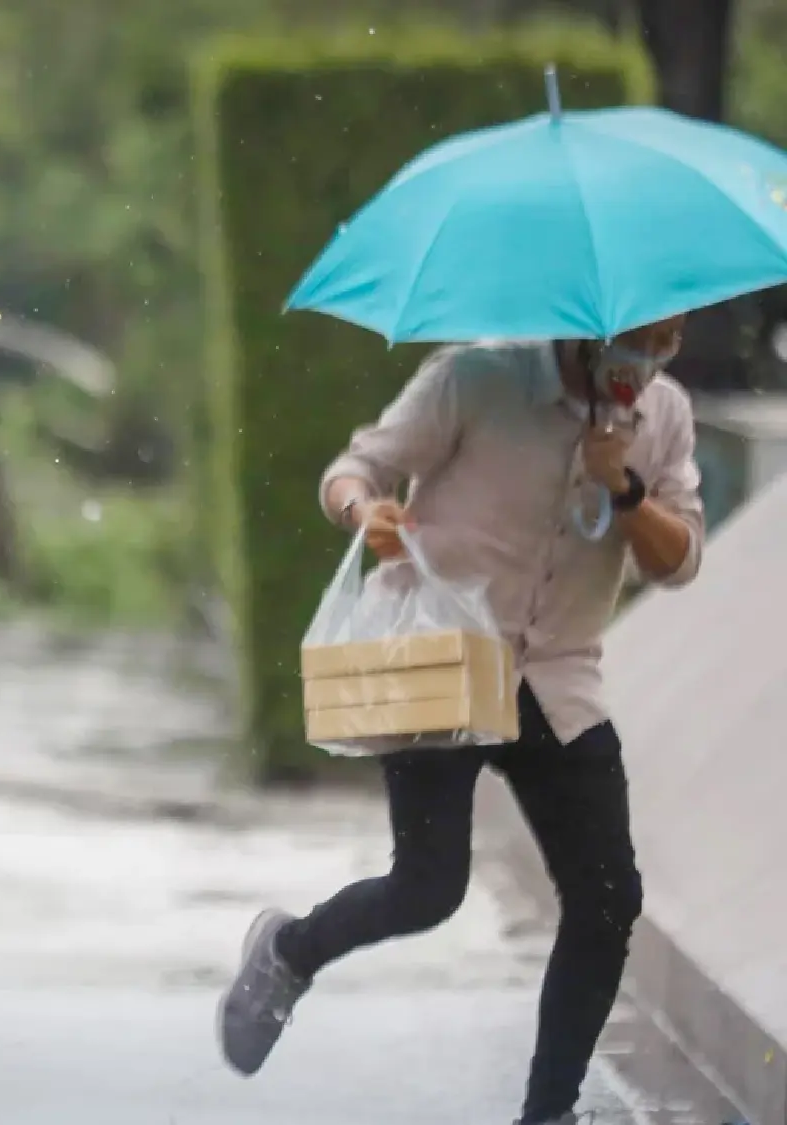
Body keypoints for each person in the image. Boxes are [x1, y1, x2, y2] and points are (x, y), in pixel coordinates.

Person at [215, 317, 705, 1125]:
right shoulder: (476, 381)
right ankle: (288, 950)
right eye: (637, 341)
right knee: (428, 887)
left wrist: (623, 487)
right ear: (588, 331)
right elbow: (356, 467)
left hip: (559, 678)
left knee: (608, 899)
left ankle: (546, 1114)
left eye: (669, 343)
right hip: (444, 662)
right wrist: (363, 511)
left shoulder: (667, 416)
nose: (648, 363)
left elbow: (679, 560)